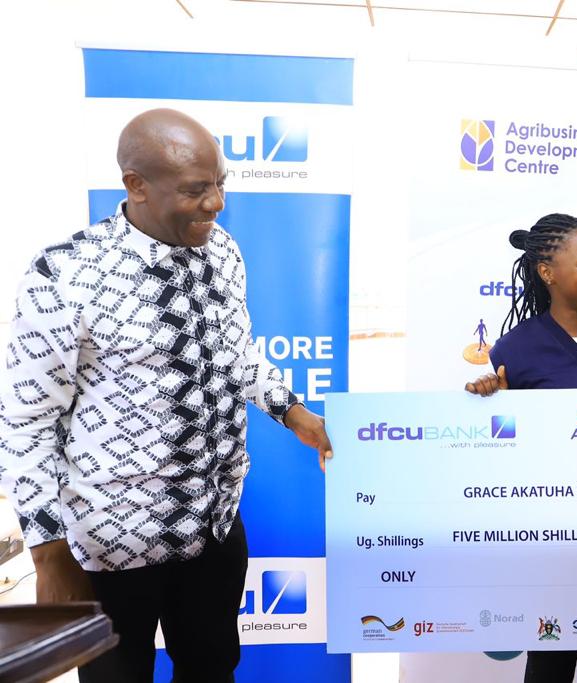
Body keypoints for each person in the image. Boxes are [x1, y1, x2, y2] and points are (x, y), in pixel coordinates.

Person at [0, 108, 333, 683]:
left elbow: (238, 354)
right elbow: (26, 420)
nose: (216, 203)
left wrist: (292, 410)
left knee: (212, 669)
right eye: (196, 189)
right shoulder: (66, 272)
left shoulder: (222, 251)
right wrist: (49, 553)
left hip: (214, 530)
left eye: (221, 184)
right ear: (136, 185)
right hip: (111, 546)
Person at [465, 213, 577, 683]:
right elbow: (500, 446)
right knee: (549, 666)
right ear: (547, 272)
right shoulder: (513, 351)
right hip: (550, 541)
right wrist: (489, 401)